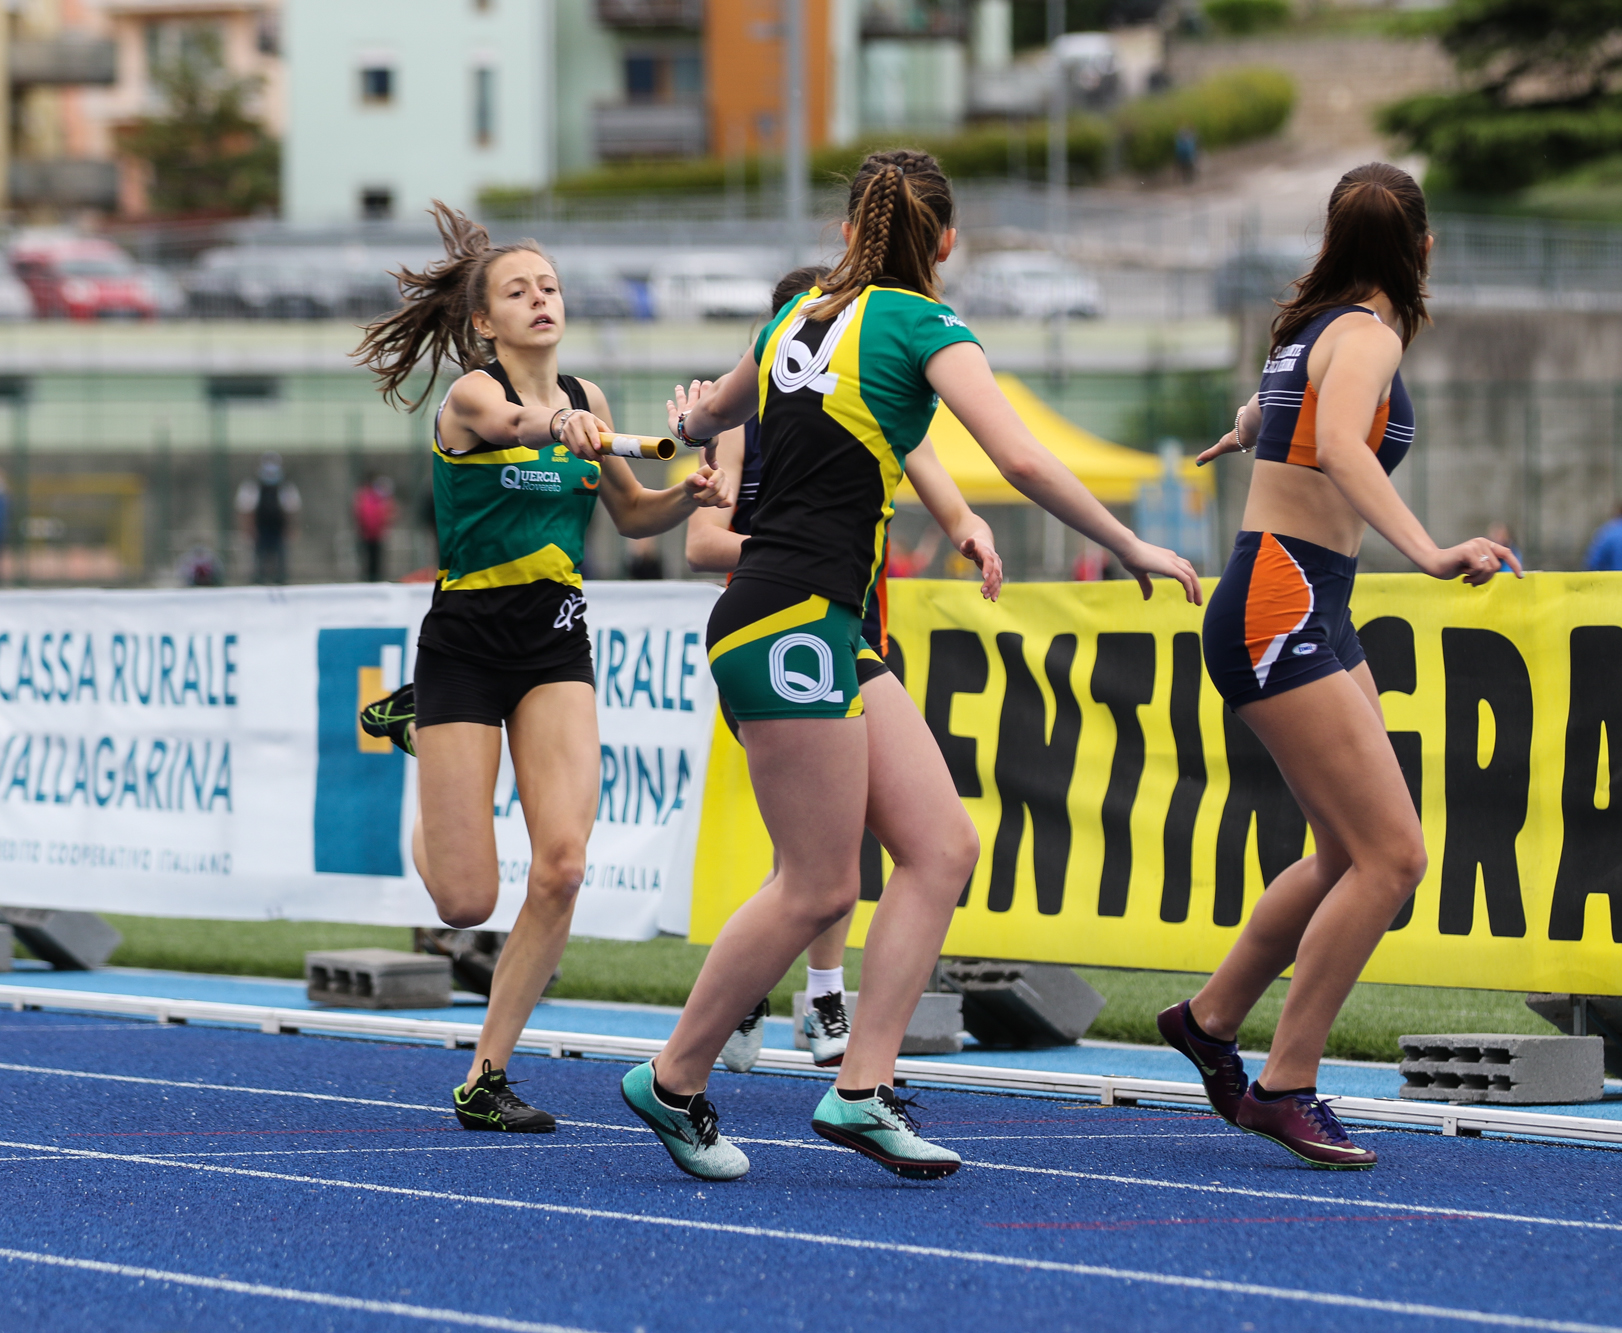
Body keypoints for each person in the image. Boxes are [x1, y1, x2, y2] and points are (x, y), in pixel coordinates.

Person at [621, 148, 1199, 1183]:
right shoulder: (926, 323)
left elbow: (706, 418)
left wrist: (688, 419)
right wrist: (1129, 543)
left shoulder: (791, 321)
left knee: (939, 846)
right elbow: (1021, 457)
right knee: (816, 884)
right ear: (946, 242)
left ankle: (859, 1088)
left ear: (847, 232)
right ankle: (672, 1077)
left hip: (820, 623)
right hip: (790, 621)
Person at [1165, 162, 1521, 1171]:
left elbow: (1272, 413)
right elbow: (1337, 444)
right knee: (1393, 858)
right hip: (1282, 602)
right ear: (1422, 249)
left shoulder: (1311, 333)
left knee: (1344, 853)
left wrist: (1240, 432)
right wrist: (1431, 551)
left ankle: (1209, 1018)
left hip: (1300, 599)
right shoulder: (1365, 336)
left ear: (1332, 240)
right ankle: (1285, 1082)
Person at [351, 201, 728, 1135]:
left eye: (550, 287)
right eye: (518, 292)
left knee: (561, 867)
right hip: (466, 646)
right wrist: (557, 424)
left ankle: (486, 1074)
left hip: (555, 642)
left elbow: (631, 517)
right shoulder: (473, 399)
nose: (540, 300)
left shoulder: (592, 399)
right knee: (465, 899)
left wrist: (690, 493)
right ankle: (421, 727)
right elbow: (519, 423)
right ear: (485, 321)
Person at [684, 263, 1006, 1076]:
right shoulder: (752, 414)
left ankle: (843, 1043)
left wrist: (969, 529)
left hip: (854, 630)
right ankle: (734, 1015)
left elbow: (941, 486)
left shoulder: (877, 394)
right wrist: (787, 547)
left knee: (884, 846)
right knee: (815, 860)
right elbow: (701, 540)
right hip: (782, 620)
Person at [236, 452, 300, 585]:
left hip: (278, 528)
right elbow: (246, 510)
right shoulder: (252, 486)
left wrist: (290, 528)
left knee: (280, 557)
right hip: (260, 527)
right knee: (258, 558)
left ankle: (281, 580)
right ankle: (258, 581)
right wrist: (248, 529)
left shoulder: (286, 487)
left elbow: (291, 510)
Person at [353, 474, 398, 582]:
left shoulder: (374, 498)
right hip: (369, 534)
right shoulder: (369, 498)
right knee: (370, 560)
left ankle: (374, 579)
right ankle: (371, 579)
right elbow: (367, 517)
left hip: (375, 534)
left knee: (375, 560)